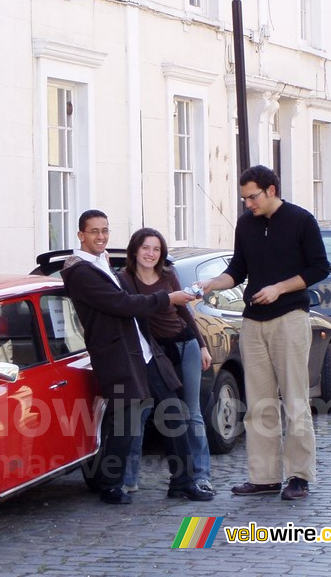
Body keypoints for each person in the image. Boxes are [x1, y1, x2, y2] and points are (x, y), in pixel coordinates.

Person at [61, 209, 213, 505]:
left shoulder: (101, 263)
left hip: (143, 349)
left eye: (105, 230)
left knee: (174, 411)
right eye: (94, 231)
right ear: (81, 235)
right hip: (118, 356)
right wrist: (167, 298)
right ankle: (112, 484)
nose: (101, 236)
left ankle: (183, 482)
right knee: (124, 422)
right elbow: (121, 304)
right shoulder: (80, 271)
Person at [197, 165, 329, 501]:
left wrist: (279, 289)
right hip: (252, 321)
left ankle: (299, 476)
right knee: (258, 403)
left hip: (290, 317)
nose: (248, 204)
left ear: (271, 190)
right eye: (244, 199)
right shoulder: (245, 224)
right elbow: (238, 269)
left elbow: (319, 268)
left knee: (295, 400)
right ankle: (264, 477)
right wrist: (213, 283)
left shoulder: (302, 220)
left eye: (252, 197)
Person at [118, 228, 213, 494]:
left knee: (191, 412)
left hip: (185, 345)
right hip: (152, 352)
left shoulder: (168, 274)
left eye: (156, 249)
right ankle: (129, 478)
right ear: (135, 250)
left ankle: (200, 476)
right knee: (141, 411)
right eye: (146, 248)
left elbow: (184, 311)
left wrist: (202, 346)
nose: (151, 254)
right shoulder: (124, 279)